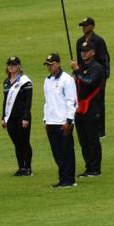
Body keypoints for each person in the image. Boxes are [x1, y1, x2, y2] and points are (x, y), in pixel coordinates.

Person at [41, 52, 77, 188]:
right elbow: (47, 102)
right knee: (57, 153)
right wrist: (45, 119)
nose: (49, 67)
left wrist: (69, 121)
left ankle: (69, 178)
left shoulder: (67, 80)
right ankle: (63, 178)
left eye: (52, 65)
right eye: (48, 65)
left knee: (66, 151)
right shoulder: (47, 80)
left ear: (58, 63)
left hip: (63, 122)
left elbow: (72, 101)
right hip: (51, 122)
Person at [71, 42, 105, 177]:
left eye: (87, 50)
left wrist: (76, 71)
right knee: (83, 140)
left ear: (93, 52)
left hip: (92, 108)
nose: (83, 53)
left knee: (92, 140)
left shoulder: (97, 68)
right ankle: (88, 166)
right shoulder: (81, 67)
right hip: (80, 109)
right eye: (82, 51)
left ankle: (95, 168)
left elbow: (89, 81)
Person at [77, 16, 110, 136]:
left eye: (86, 26)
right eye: (83, 26)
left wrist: (105, 76)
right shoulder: (79, 42)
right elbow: (80, 61)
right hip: (84, 77)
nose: (84, 28)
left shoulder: (98, 41)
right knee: (84, 101)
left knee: (98, 103)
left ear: (92, 26)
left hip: (97, 76)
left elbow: (105, 58)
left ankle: (100, 130)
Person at [1, 56, 33, 176]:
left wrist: (25, 117)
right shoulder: (6, 82)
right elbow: (5, 101)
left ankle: (28, 167)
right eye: (9, 64)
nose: (11, 67)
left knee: (24, 142)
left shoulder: (25, 82)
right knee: (16, 143)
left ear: (18, 66)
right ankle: (21, 167)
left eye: (14, 65)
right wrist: (3, 117)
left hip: (22, 116)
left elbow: (28, 101)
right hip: (11, 117)